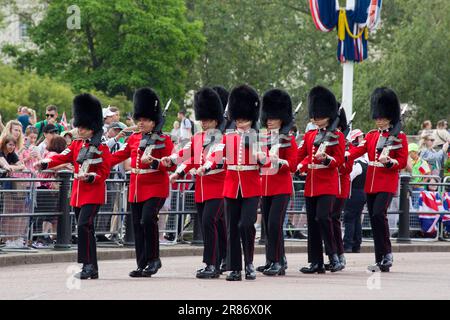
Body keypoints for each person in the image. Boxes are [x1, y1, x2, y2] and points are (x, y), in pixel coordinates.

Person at [36, 94, 111, 280]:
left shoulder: (102, 147)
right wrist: (45, 163)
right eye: (79, 126)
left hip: (93, 192)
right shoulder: (77, 144)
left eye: (83, 127)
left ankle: (86, 265)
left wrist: (91, 177)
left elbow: (104, 172)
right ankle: (92, 267)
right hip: (78, 193)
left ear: (92, 128)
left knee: (84, 225)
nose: (80, 130)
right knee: (86, 229)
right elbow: (61, 156)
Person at [198, 84, 266, 281]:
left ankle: (250, 263)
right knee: (232, 229)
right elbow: (217, 155)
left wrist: (260, 156)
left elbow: (268, 161)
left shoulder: (258, 137)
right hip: (230, 188)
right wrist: (207, 166)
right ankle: (235, 268)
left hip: (251, 188)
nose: (241, 123)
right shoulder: (227, 137)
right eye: (238, 119)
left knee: (246, 225)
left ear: (251, 118)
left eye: (244, 119)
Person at [110, 88, 175, 278]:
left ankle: (154, 259)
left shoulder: (164, 140)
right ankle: (142, 263)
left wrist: (155, 161)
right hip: (137, 187)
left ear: (154, 121)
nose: (141, 123)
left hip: (156, 187)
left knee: (148, 219)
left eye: (145, 120)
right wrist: (99, 162)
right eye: (140, 119)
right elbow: (118, 156)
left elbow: (171, 165)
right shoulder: (134, 138)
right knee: (138, 225)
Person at [164, 87, 227, 279]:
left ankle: (212, 264)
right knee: (216, 225)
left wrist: (206, 167)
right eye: (202, 120)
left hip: (219, 188)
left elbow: (217, 157)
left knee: (209, 222)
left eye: (207, 120)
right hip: (201, 189)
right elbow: (187, 155)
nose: (204, 123)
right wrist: (174, 165)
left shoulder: (223, 138)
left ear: (216, 120)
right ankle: (223, 258)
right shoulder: (198, 137)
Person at [348, 87, 408, 272]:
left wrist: (390, 161)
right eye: (377, 117)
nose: (379, 120)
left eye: (382, 117)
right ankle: (380, 258)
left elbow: (403, 161)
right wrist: (342, 153)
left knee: (378, 215)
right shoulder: (372, 135)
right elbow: (357, 151)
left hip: (386, 182)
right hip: (371, 184)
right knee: (374, 220)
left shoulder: (400, 137)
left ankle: (387, 253)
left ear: (390, 117)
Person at [296, 86, 345, 274]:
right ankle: (315, 261)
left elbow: (339, 159)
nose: (316, 119)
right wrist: (299, 166)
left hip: (328, 183)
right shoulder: (309, 136)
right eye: (315, 115)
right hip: (311, 183)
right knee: (312, 222)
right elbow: (301, 155)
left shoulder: (337, 136)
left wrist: (327, 159)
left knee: (323, 217)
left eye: (320, 115)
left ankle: (333, 256)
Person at [256, 89, 297, 276]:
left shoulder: (288, 140)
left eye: (274, 117)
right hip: (264, 187)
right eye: (268, 117)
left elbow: (294, 165)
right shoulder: (263, 138)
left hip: (281, 187)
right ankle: (270, 260)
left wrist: (277, 161)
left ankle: (278, 261)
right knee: (267, 225)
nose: (269, 120)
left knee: (274, 224)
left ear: (282, 118)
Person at [326, 108, 352, 270]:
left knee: (334, 220)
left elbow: (346, 168)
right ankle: (333, 253)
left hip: (340, 187)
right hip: (328, 186)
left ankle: (339, 254)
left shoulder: (344, 143)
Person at [343, 129, 368, 253]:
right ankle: (356, 244)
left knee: (349, 219)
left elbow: (349, 176)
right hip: (361, 192)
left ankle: (347, 244)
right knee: (356, 219)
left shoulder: (357, 162)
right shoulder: (365, 161)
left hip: (354, 192)